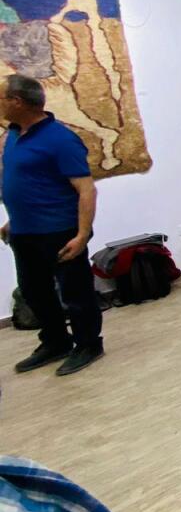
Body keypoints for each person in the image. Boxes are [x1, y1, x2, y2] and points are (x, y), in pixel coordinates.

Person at [1, 74, 103, 375]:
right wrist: (13, 220)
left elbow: (86, 189)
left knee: (75, 294)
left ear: (17, 102)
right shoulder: (14, 135)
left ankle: (88, 344)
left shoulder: (61, 139)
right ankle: (56, 341)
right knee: (34, 292)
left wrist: (82, 234)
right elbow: (32, 183)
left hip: (59, 231)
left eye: (1, 98)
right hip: (24, 232)